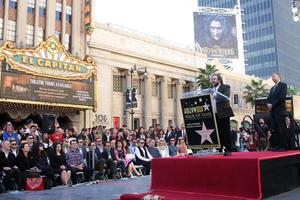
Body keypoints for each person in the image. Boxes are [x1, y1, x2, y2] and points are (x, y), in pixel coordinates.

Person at [210, 74, 234, 156]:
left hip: (223, 112)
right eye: (211, 79)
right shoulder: (210, 90)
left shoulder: (226, 87)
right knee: (217, 132)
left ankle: (228, 149)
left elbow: (225, 97)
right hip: (214, 114)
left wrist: (214, 95)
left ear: (219, 80)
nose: (212, 80)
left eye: (214, 79)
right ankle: (219, 149)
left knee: (225, 131)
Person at [267, 72, 288, 151]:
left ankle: (283, 146)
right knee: (275, 129)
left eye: (273, 76)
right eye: (272, 76)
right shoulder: (272, 88)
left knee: (281, 129)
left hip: (280, 111)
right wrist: (268, 104)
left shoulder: (283, 85)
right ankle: (277, 145)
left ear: (279, 76)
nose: (272, 78)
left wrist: (272, 104)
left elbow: (281, 97)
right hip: (273, 112)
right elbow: (268, 98)